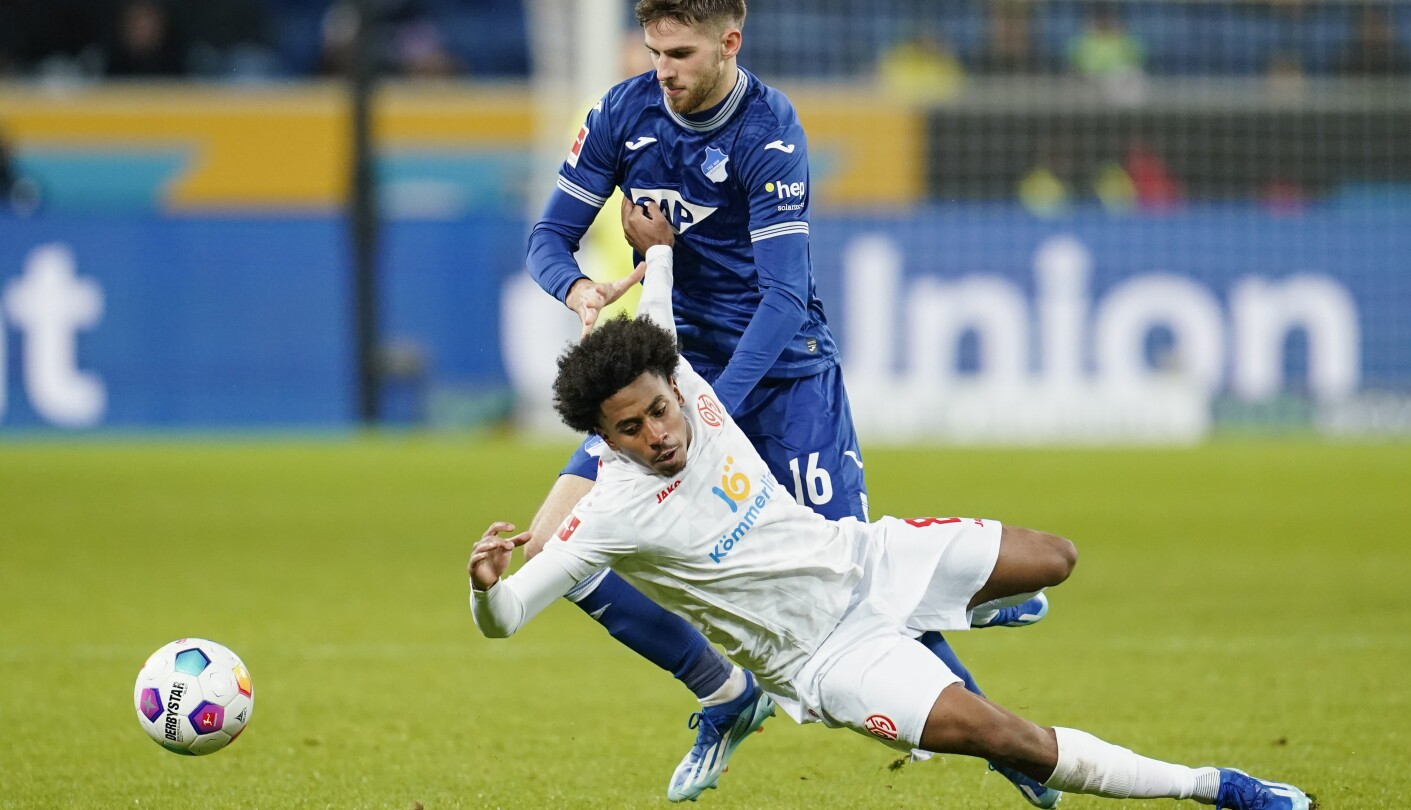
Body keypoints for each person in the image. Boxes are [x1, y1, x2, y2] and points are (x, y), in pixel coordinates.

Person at [466, 234, 1314, 810]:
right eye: (631, 429)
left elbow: (658, 297)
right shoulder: (607, 517)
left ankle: (965, 605)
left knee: (1056, 558)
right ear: (602, 438)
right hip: (828, 658)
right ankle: (1216, 788)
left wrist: (653, 244)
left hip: (871, 559)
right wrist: (483, 589)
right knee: (1002, 736)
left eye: (658, 411)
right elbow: (505, 621)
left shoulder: (679, 376)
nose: (658, 434)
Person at [522, 1, 1051, 803]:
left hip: (782, 378)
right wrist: (580, 287)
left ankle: (1003, 737)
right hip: (666, 384)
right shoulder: (620, 113)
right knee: (549, 546)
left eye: (682, 52)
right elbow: (547, 239)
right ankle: (724, 692)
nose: (663, 68)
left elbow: (781, 299)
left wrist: (711, 417)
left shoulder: (769, 132)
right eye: (654, 49)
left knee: (850, 590)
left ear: (730, 42)